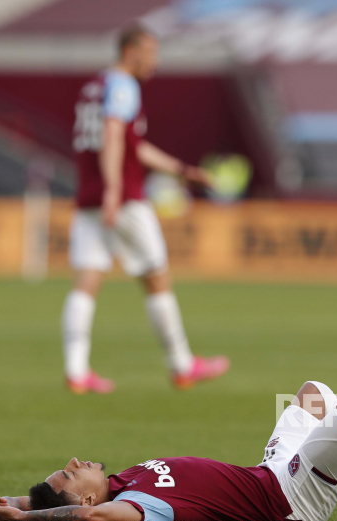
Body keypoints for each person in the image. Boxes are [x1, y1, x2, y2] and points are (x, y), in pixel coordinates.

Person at [0, 380, 337, 521]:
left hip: (271, 472)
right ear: (80, 495)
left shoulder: (126, 478)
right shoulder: (140, 505)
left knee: (315, 393)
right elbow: (94, 518)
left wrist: (23, 501)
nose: (75, 461)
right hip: (290, 498)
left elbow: (73, 502)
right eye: (68, 473)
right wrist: (24, 520)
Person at [63, 23, 228, 394]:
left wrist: (182, 170)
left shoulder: (94, 87)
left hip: (89, 194)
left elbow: (130, 143)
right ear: (130, 51)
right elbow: (113, 135)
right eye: (150, 52)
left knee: (87, 280)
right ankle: (182, 365)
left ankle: (76, 372)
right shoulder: (123, 86)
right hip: (120, 197)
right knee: (156, 275)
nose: (155, 61)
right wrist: (115, 190)